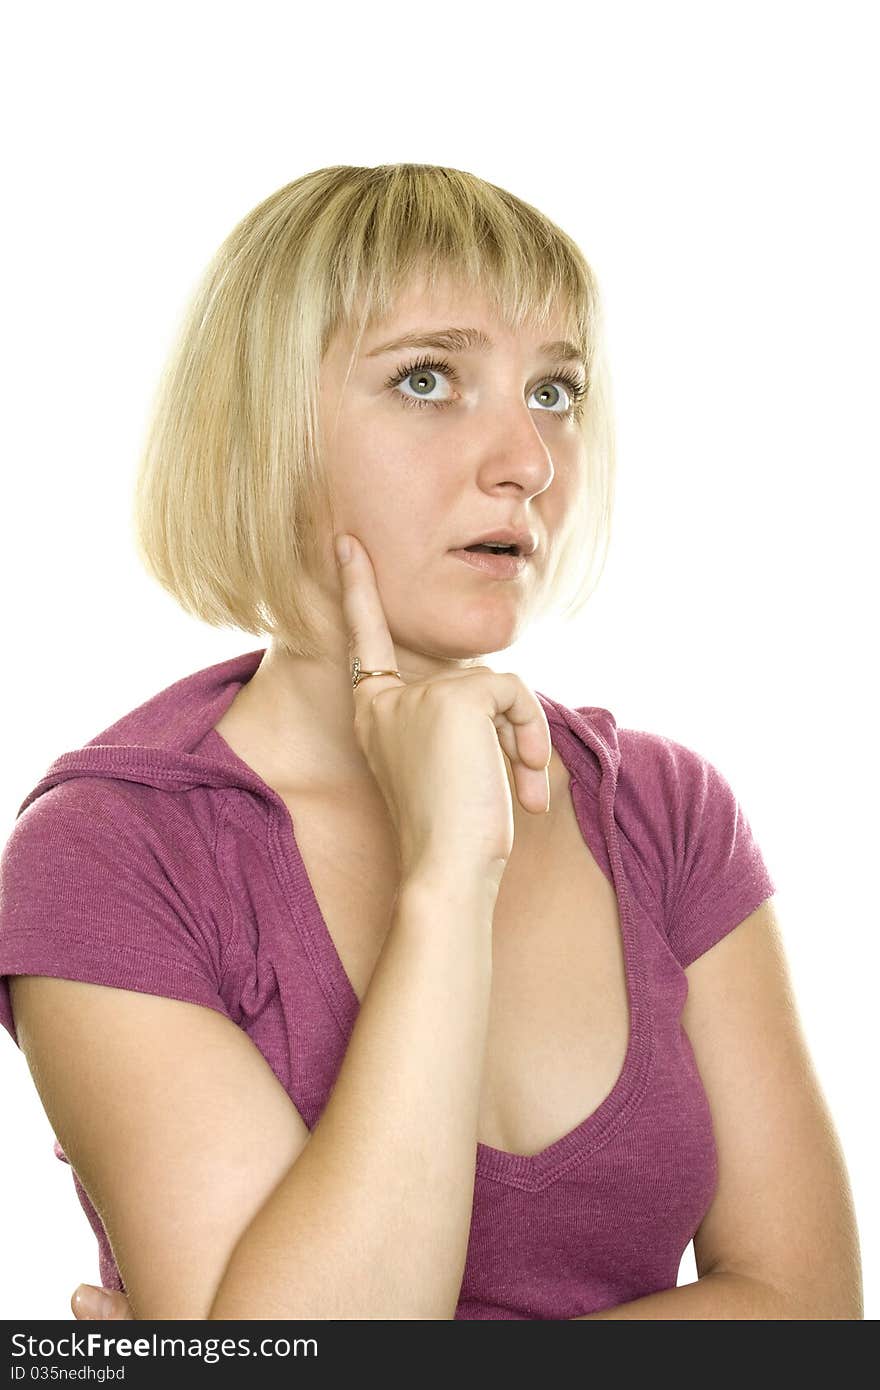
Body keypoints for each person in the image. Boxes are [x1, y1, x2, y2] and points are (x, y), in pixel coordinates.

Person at [0, 164, 862, 1321]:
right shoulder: (112, 853)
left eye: (554, 391)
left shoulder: (665, 811)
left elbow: (809, 1311)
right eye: (427, 378)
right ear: (265, 429)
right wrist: (448, 878)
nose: (529, 460)